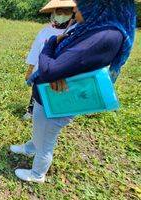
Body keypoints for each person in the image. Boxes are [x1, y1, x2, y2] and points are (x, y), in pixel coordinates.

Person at [10, 0, 136, 183]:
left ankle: (37, 174)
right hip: (50, 91)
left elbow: (49, 70)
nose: (75, 8)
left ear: (100, 6)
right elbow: (62, 63)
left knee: (46, 135)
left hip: (59, 97)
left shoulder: (106, 35)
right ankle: (31, 148)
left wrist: (49, 44)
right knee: (39, 125)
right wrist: (56, 61)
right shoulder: (90, 27)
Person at [23, 0, 76, 120]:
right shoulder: (45, 31)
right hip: (40, 71)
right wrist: (30, 70)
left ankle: (54, 111)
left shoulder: (74, 32)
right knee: (36, 92)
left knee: (56, 92)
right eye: (59, 11)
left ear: (72, 13)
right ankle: (31, 111)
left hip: (59, 72)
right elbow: (35, 51)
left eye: (66, 11)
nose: (62, 15)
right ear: (54, 13)